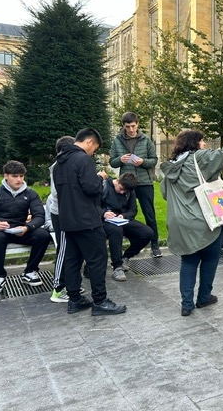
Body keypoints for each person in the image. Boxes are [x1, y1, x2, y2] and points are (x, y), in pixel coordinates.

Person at [160, 123, 223, 317]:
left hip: (179, 223)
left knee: (189, 260)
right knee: (210, 257)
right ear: (194, 143)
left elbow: (164, 193)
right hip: (204, 221)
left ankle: (186, 304)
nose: (204, 144)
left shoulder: (172, 165)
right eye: (201, 140)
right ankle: (204, 297)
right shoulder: (199, 158)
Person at [54, 127, 127, 316]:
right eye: (94, 148)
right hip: (87, 220)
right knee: (97, 260)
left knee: (72, 260)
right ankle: (100, 302)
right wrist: (100, 178)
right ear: (89, 142)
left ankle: (75, 299)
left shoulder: (59, 162)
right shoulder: (83, 159)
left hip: (67, 220)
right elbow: (91, 188)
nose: (93, 152)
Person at [0, 160, 52, 296]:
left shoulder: (30, 194)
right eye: (15, 176)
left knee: (43, 235)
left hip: (20, 230)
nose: (19, 179)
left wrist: (27, 228)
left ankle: (30, 271)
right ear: (6, 176)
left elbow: (40, 216)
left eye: (21, 176)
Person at [109, 112, 161, 257]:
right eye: (128, 127)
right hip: (126, 183)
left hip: (144, 182)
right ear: (123, 126)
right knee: (126, 212)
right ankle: (132, 240)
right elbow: (112, 161)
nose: (131, 129)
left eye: (133, 126)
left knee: (149, 214)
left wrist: (143, 162)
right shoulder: (117, 140)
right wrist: (120, 159)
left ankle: (155, 244)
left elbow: (154, 160)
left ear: (137, 124)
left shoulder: (145, 139)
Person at [102, 172, 154, 281]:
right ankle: (117, 266)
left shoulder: (130, 191)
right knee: (116, 231)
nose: (122, 192)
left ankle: (126, 257)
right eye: (121, 188)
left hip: (121, 218)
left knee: (147, 233)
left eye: (125, 191)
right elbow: (94, 205)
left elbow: (133, 210)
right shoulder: (105, 186)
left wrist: (124, 215)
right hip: (105, 219)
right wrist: (104, 213)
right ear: (118, 181)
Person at [45, 135, 76, 303]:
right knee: (63, 250)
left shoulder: (64, 164)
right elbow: (57, 193)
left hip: (69, 213)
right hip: (61, 214)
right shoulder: (58, 166)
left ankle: (69, 284)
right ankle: (57, 288)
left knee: (70, 250)